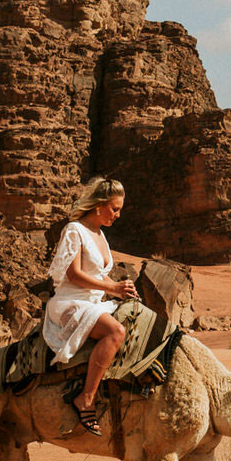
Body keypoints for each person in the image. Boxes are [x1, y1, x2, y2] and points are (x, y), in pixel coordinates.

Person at [44, 176, 138, 435]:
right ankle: (85, 398)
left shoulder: (100, 234)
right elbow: (73, 275)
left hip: (94, 301)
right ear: (98, 205)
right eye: (114, 209)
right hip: (71, 303)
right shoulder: (75, 230)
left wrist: (121, 291)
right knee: (115, 332)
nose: (117, 215)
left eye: (119, 209)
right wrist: (113, 289)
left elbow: (99, 275)